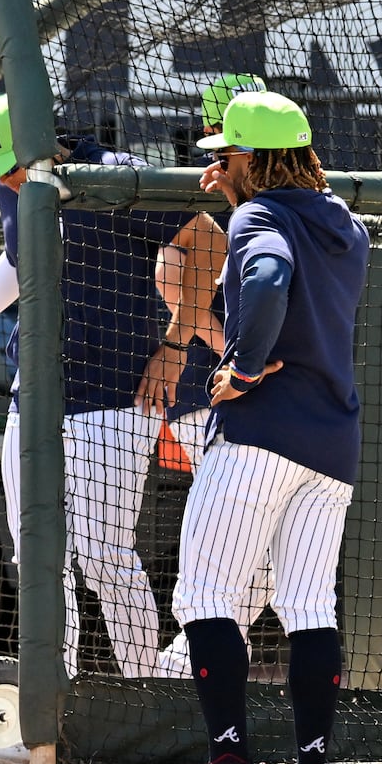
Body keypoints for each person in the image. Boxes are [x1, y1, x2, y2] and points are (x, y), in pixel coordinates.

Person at [0, 93, 225, 764]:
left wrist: (175, 346)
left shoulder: (113, 174)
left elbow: (207, 241)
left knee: (105, 557)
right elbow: (17, 266)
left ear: (41, 140)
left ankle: (153, 709)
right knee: (37, 565)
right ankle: (48, 726)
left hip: (115, 398)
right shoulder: (13, 189)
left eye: (8, 163)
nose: (4, 180)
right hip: (34, 400)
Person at [139, 92, 369, 764]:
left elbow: (267, 278)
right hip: (330, 446)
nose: (213, 166)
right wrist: (237, 184)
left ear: (250, 158)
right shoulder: (344, 221)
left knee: (203, 596)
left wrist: (239, 367)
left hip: (259, 436)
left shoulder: (258, 216)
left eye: (222, 155)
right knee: (308, 607)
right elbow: (287, 240)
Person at [153, 72, 273, 679]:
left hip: (250, 398)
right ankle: (177, 673)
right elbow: (174, 284)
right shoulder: (200, 195)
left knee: (261, 558)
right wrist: (238, 356)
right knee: (238, 553)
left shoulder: (265, 199)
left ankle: (180, 671)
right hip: (212, 397)